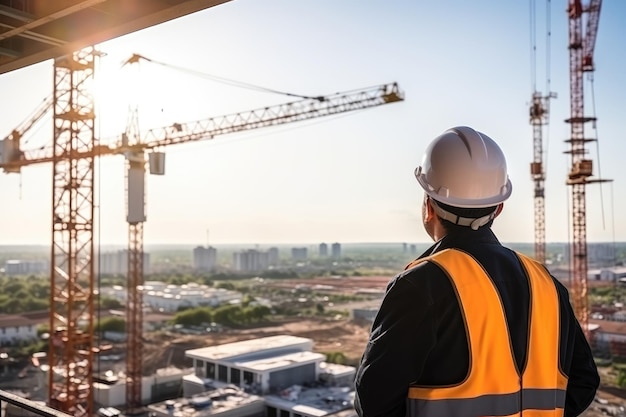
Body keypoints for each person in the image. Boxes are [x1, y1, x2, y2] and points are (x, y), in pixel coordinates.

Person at [354, 126, 599, 417]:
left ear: (428, 207)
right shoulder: (546, 283)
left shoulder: (421, 286)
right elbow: (584, 380)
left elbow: (373, 401)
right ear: (498, 208)